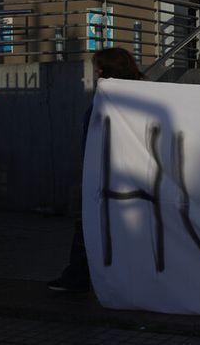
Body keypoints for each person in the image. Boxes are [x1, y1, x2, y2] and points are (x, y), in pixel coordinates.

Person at [48, 48, 144, 293]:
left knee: (86, 224)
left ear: (106, 70)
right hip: (121, 174)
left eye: (98, 68)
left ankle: (77, 277)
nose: (95, 73)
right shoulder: (136, 94)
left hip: (106, 174)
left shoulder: (110, 98)